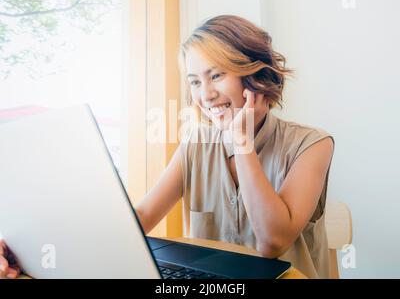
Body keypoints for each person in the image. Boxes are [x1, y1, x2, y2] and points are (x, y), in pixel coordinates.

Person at [0, 15, 334, 279]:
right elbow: (142, 218)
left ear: (255, 75)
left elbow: (272, 243)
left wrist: (241, 142)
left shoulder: (312, 144)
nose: (205, 95)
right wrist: (36, 249)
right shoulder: (196, 144)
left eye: (216, 76)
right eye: (194, 82)